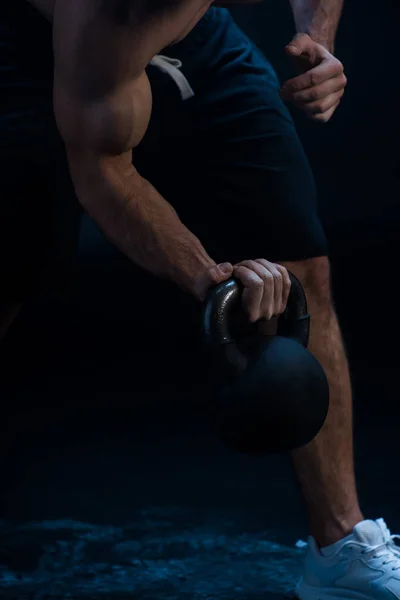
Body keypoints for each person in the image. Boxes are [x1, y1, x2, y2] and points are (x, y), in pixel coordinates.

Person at [1, 0, 399, 598]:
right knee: (12, 266)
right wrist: (213, 281)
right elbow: (107, 168)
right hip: (43, 47)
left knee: (300, 265)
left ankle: (339, 549)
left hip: (193, 33)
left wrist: (316, 36)